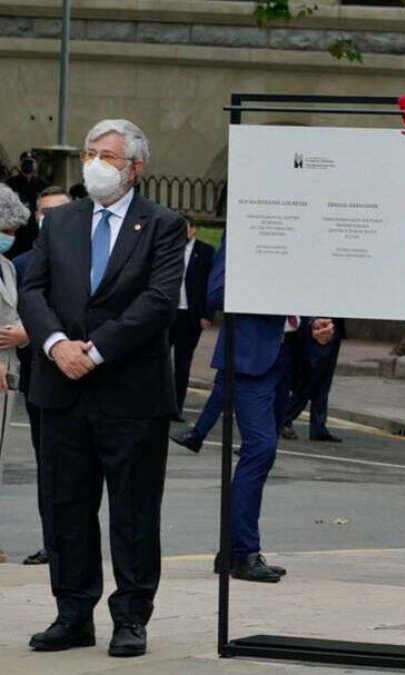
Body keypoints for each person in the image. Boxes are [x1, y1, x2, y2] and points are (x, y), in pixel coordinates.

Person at [19, 119, 186, 658]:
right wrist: (56, 345)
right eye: (91, 152)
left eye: (108, 155)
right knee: (65, 506)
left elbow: (158, 302)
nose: (95, 163)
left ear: (136, 167)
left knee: (134, 511)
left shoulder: (161, 224)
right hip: (60, 387)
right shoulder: (62, 222)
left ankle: (131, 617)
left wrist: (93, 350)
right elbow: (33, 289)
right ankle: (73, 614)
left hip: (130, 394)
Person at [206, 235, 335, 582]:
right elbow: (216, 294)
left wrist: (313, 323)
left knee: (264, 453)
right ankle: (244, 552)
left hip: (284, 357)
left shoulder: (294, 239)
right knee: (259, 450)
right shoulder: (242, 235)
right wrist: (264, 285)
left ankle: (231, 549)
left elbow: (294, 305)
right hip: (249, 360)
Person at [13, 185, 71, 566]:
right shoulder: (18, 266)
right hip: (40, 382)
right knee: (48, 465)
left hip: (84, 374)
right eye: (43, 211)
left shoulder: (92, 262)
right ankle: (53, 543)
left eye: (58, 211)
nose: (49, 218)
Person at [0, 185, 31, 564]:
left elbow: (16, 315)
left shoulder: (7, 266)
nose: (9, 235)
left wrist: (26, 332)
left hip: (8, 371)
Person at [168, 220, 214, 422]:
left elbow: (211, 283)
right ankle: (159, 403)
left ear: (194, 229)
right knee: (159, 361)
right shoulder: (169, 248)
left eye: (184, 228)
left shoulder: (205, 251)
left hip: (191, 315)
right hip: (168, 314)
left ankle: (176, 407)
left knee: (182, 363)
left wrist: (208, 314)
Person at [280, 317, 345, 443]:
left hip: (333, 323)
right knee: (309, 379)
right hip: (314, 326)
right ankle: (285, 419)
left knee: (324, 381)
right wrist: (311, 321)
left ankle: (319, 427)